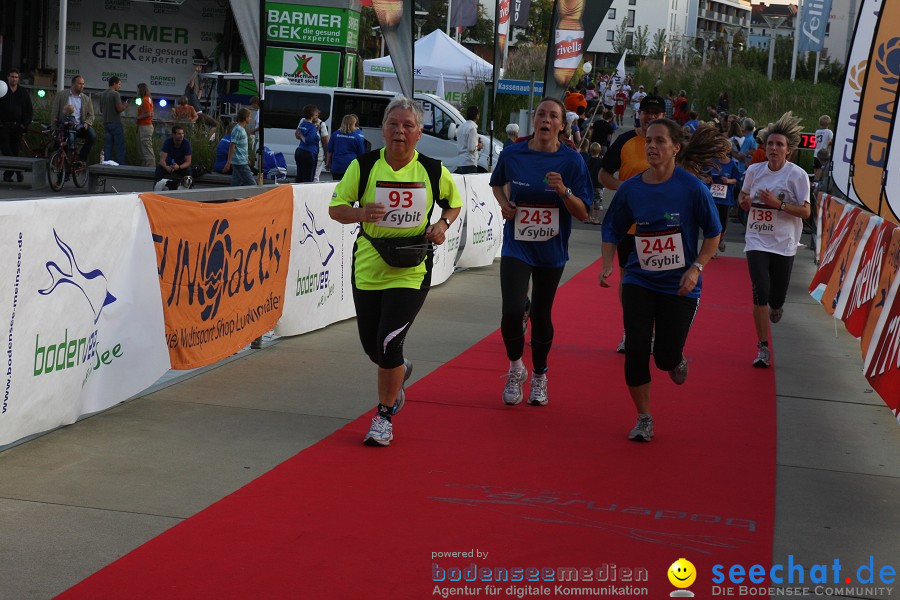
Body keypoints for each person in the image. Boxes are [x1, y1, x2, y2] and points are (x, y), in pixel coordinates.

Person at [328, 97, 463, 447]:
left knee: (389, 342)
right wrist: (361, 214)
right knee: (374, 346)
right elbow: (336, 208)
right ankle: (399, 370)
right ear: (383, 129)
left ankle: (383, 416)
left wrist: (443, 224)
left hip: (412, 267)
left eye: (407, 126)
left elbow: (454, 202)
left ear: (419, 133)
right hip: (370, 264)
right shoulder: (365, 165)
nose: (399, 131)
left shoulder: (433, 170)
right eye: (393, 124)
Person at [600, 119, 726, 442]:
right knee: (636, 349)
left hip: (680, 285)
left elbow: (713, 235)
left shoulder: (691, 189)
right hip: (640, 280)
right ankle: (644, 418)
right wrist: (607, 265)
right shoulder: (631, 188)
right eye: (648, 142)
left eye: (659, 141)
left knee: (665, 357)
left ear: (675, 148)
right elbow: (612, 228)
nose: (651, 147)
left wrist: (696, 267)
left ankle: (675, 358)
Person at [490, 97, 592, 407]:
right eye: (541, 115)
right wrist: (505, 205)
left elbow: (584, 213)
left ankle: (540, 375)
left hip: (551, 249)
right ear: (533, 120)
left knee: (542, 314)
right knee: (510, 313)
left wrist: (564, 191)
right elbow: (497, 184)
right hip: (517, 245)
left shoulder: (572, 161)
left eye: (553, 116)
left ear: (562, 125)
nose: (545, 120)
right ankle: (515, 367)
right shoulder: (513, 153)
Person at [738, 112, 811, 368]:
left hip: (784, 243)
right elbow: (743, 197)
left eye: (779, 145)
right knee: (760, 290)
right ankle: (762, 347)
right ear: (765, 147)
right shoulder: (754, 170)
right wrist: (745, 203)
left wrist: (777, 204)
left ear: (788, 150)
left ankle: (777, 306)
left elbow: (806, 212)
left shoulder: (797, 176)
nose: (774, 148)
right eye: (770, 144)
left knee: (776, 297)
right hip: (757, 239)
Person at [599, 94, 666, 353]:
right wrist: (621, 186)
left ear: (663, 116)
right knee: (629, 282)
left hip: (662, 227)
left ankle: (652, 333)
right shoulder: (625, 141)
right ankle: (631, 332)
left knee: (658, 281)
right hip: (629, 226)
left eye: (656, 113)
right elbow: (603, 174)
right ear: (639, 113)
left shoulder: (670, 142)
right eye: (647, 111)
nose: (651, 116)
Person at [701, 154, 741, 254]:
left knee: (723, 224)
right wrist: (707, 179)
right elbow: (702, 174)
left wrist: (728, 181)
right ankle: (712, 249)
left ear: (727, 150)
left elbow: (737, 179)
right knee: (712, 223)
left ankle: (720, 239)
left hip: (725, 199)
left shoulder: (732, 164)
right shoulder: (711, 162)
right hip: (712, 198)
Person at [50, 74, 96, 162]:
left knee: (92, 135)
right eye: (80, 84)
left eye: (83, 84)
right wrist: (54, 127)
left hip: (80, 126)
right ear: (73, 84)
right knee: (68, 144)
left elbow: (91, 115)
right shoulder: (61, 95)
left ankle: (81, 159)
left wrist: (87, 123)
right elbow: (55, 111)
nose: (82, 86)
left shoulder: (86, 99)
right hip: (65, 126)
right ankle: (64, 166)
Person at [0, 69, 34, 182]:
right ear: (7, 77)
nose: (14, 79)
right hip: (3, 126)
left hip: (18, 127)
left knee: (15, 150)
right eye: (12, 77)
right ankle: (18, 171)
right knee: (6, 150)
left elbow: (29, 110)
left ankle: (8, 174)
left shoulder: (23, 92)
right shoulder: (2, 90)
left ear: (18, 79)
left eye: (16, 77)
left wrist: (25, 125)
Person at [326, 114, 366, 181]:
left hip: (337, 166)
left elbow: (329, 150)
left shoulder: (335, 134)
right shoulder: (357, 137)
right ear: (353, 124)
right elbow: (362, 154)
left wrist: (328, 163)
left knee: (336, 186)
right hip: (351, 166)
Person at [225, 108, 255, 187]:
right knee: (252, 185)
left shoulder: (241, 129)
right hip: (240, 162)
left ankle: (230, 198)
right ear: (245, 118)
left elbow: (241, 147)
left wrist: (246, 158)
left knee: (235, 184)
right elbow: (232, 146)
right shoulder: (238, 130)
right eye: (249, 117)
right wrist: (228, 162)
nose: (250, 118)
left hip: (241, 161)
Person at [100, 76, 127, 164]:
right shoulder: (115, 94)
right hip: (115, 123)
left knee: (108, 146)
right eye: (119, 84)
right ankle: (120, 167)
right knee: (120, 146)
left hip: (106, 123)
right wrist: (124, 106)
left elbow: (101, 110)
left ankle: (107, 165)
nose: (120, 86)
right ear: (114, 83)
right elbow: (119, 109)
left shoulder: (103, 94)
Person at [294, 104, 321, 183]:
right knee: (308, 179)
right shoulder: (312, 126)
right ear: (312, 115)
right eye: (316, 114)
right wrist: (302, 136)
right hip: (309, 153)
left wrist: (315, 131)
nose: (317, 116)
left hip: (300, 151)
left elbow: (297, 134)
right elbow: (307, 140)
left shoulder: (302, 124)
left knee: (299, 176)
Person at [456, 106, 483, 174]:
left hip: (460, 161)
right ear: (476, 115)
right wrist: (479, 146)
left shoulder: (461, 127)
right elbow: (471, 148)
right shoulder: (472, 129)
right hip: (469, 163)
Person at [136, 82, 155, 167]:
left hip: (145, 126)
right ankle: (145, 167)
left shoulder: (145, 100)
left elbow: (149, 113)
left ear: (141, 90)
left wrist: (138, 117)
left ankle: (150, 168)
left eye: (137, 90)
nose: (137, 91)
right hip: (144, 126)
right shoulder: (148, 99)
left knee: (146, 149)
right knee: (143, 148)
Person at [586, 142, 604, 223]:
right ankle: (596, 219)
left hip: (589, 184)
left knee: (589, 202)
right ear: (599, 151)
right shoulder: (601, 161)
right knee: (597, 203)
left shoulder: (587, 160)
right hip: (598, 184)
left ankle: (588, 217)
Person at [814, 115, 833, 181]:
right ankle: (818, 180)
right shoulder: (829, 132)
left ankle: (815, 179)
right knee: (821, 168)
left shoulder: (817, 132)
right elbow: (831, 141)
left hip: (816, 152)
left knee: (816, 167)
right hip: (823, 152)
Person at [314, 113, 330, 182]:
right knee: (315, 178)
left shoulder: (303, 122)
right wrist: (327, 158)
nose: (317, 117)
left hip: (311, 154)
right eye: (316, 115)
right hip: (318, 155)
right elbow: (325, 142)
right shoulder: (321, 124)